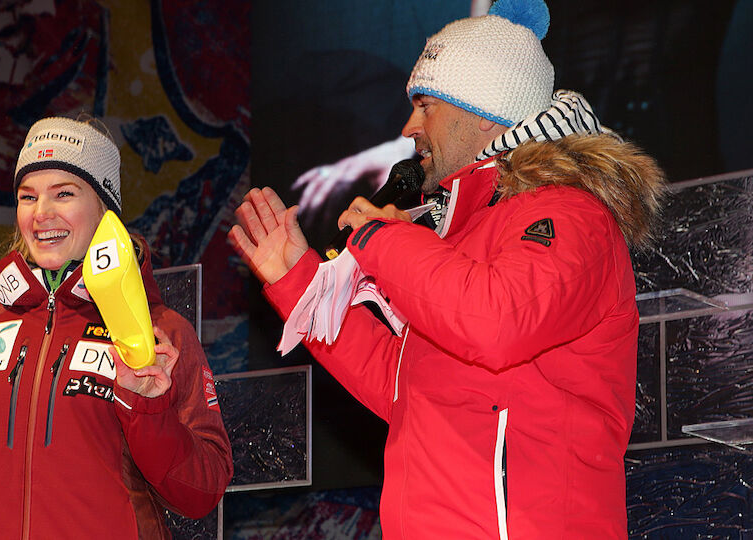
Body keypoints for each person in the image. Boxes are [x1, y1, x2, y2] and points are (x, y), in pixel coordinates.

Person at [229, 0, 666, 538]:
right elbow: (405, 386)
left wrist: (382, 238)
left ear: (483, 110)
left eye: (425, 104)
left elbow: (497, 321)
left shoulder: (571, 212)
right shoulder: (458, 230)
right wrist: (295, 277)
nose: (410, 126)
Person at [0, 116, 233, 539]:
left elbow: (203, 489)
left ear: (105, 209)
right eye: (28, 197)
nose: (42, 214)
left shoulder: (159, 331)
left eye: (64, 193)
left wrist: (149, 410)